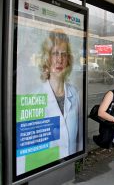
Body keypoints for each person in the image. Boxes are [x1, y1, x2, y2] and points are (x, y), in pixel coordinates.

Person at [39, 28, 82, 157]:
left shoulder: (74, 93)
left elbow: (79, 137)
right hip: (45, 164)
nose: (60, 60)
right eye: (55, 53)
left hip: (69, 164)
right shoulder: (36, 95)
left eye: (64, 54)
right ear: (47, 58)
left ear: (68, 60)